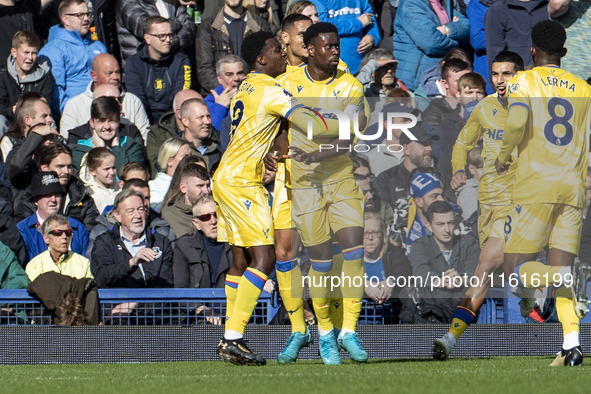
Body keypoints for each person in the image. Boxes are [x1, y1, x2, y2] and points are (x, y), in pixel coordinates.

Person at [212, 30, 341, 366]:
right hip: (242, 182)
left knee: (239, 262)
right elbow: (309, 121)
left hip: (226, 175)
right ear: (260, 58)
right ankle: (233, 338)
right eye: (277, 51)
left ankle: (230, 337)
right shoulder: (271, 90)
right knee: (265, 259)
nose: (284, 55)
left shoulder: (247, 86)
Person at [493, 20, 591, 367]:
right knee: (560, 262)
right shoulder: (583, 88)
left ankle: (559, 278)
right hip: (573, 186)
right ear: (563, 53)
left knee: (515, 268)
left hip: (536, 183)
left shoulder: (524, 80)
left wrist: (504, 156)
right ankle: (572, 346)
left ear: (532, 51)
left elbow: (518, 122)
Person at [276, 22, 368, 365]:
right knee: (322, 262)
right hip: (304, 186)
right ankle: (325, 334)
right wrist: (281, 150)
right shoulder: (286, 84)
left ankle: (349, 331)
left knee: (355, 252)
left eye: (337, 46)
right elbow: (277, 127)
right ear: (309, 49)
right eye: (327, 46)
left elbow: (347, 138)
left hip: (341, 179)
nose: (335, 51)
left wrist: (317, 154)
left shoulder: (351, 86)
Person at [408, 200, 480, 323]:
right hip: (430, 314)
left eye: (451, 223)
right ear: (429, 226)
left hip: (462, 311)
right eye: (440, 224)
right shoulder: (420, 245)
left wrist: (460, 279)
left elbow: (474, 274)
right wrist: (439, 281)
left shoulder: (469, 243)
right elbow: (420, 271)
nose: (447, 229)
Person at [90, 189, 174, 288]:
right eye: (131, 211)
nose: (138, 215)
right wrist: (131, 263)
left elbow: (166, 284)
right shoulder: (104, 242)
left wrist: (141, 302)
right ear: (117, 216)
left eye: (141, 209)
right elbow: (102, 277)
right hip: (120, 302)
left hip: (153, 303)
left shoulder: (161, 242)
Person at [60, 53, 150, 141]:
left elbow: (144, 137)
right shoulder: (75, 105)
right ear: (94, 76)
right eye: (109, 73)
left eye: (117, 72)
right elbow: (68, 140)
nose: (115, 77)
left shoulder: (132, 101)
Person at [38, 0, 107, 114]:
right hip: (76, 113)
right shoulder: (53, 50)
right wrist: (71, 113)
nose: (86, 19)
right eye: (80, 15)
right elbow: (55, 93)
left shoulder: (98, 46)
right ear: (65, 19)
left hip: (105, 107)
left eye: (87, 14)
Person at [123, 16, 192, 124]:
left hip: (175, 121)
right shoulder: (133, 63)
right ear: (147, 38)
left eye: (170, 35)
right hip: (146, 121)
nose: (168, 40)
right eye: (162, 36)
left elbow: (181, 96)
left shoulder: (181, 60)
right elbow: (137, 101)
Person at [195, 0, 271, 93]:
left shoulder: (260, 25)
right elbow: (204, 68)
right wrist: (225, 92)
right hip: (220, 96)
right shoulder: (208, 27)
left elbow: (268, 63)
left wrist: (250, 91)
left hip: (253, 93)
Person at [393, 0, 469, 91]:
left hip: (438, 78)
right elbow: (432, 43)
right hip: (415, 81)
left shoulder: (444, 3)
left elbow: (466, 26)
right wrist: (457, 43)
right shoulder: (410, 4)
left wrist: (447, 29)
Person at [17, 171, 89, 263]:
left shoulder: (77, 228)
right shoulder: (23, 230)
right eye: (47, 195)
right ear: (35, 200)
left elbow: (85, 263)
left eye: (57, 195)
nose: (53, 200)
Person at [373, 124, 439, 210]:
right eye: (423, 144)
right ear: (406, 149)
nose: (429, 148)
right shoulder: (386, 180)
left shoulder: (439, 177)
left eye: (430, 144)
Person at [71, 96, 146, 172]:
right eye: (101, 121)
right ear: (92, 123)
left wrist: (116, 148)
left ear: (119, 121)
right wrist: (99, 150)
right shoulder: (80, 151)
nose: (107, 127)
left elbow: (128, 178)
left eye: (111, 121)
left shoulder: (132, 148)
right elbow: (89, 178)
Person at [173, 193, 231, 288]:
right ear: (196, 224)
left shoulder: (237, 244)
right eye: (206, 217)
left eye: (217, 215)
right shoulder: (184, 246)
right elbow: (180, 288)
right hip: (199, 302)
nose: (213, 221)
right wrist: (197, 304)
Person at [0, 30, 52, 134]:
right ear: (14, 52)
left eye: (34, 53)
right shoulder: (3, 74)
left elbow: (46, 102)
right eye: (26, 52)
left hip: (35, 118)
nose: (30, 58)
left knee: (50, 121)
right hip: (9, 119)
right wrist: (11, 110)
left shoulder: (44, 75)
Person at [307, 0, 381, 74]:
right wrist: (358, 23)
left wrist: (372, 35)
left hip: (360, 64)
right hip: (331, 66)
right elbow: (322, 25)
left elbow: (369, 17)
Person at [65, 83, 146, 150]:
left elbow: (137, 165)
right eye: (110, 100)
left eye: (119, 99)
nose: (118, 103)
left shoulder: (130, 131)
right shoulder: (78, 137)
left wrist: (116, 147)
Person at [115, 0, 196, 62]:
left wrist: (176, 41)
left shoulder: (171, 2)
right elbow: (151, 29)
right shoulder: (128, 3)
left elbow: (190, 28)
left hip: (173, 68)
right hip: (143, 70)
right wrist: (176, 22)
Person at [146, 89, 203, 176]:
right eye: (196, 108)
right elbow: (156, 167)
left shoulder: (211, 134)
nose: (206, 120)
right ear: (180, 113)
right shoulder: (158, 135)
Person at [25, 213, 93, 281]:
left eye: (68, 232)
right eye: (58, 233)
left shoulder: (83, 263)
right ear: (46, 238)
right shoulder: (35, 265)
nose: (64, 237)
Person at [485, 0, 548, 71]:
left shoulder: (550, 6)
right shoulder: (498, 10)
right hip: (516, 77)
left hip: (549, 77)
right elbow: (495, 56)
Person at [161, 162, 211, 239]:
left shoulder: (217, 212)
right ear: (183, 188)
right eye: (200, 186)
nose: (206, 191)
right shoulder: (170, 215)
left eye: (208, 185)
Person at [203, 54, 247, 132]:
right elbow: (213, 133)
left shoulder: (252, 93)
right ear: (219, 79)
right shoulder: (208, 103)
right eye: (229, 74)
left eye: (240, 73)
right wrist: (220, 107)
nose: (236, 78)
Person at [178, 98, 222, 173]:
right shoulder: (175, 150)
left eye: (208, 116)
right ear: (186, 121)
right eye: (201, 117)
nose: (207, 122)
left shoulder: (218, 150)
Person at [149, 137, 191, 212]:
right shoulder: (154, 186)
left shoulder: (200, 180)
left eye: (190, 156)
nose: (190, 160)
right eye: (185, 157)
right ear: (170, 161)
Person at [79, 147, 119, 215]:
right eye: (107, 169)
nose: (112, 172)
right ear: (92, 171)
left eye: (113, 167)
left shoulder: (121, 188)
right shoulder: (89, 194)